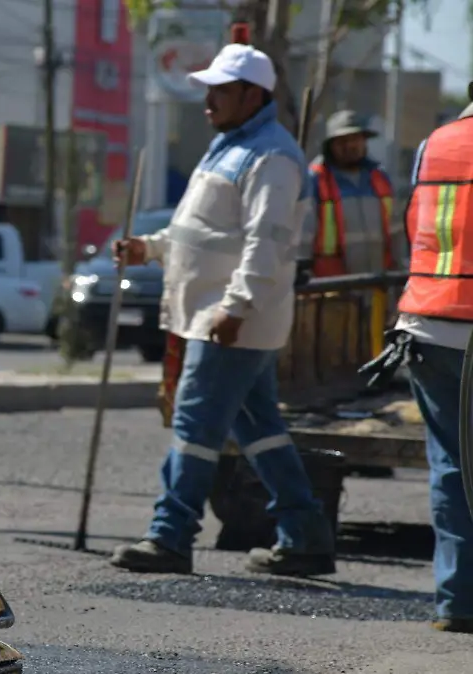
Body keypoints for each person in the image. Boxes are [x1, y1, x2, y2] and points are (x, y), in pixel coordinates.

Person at [107, 43, 336, 577]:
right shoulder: (228, 147)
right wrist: (151, 247)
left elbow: (267, 243)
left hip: (229, 320)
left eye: (220, 90)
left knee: (195, 424)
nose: (207, 100)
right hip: (220, 316)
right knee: (259, 427)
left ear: (252, 95)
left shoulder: (272, 157)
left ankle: (171, 535)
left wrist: (235, 307)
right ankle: (304, 535)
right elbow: (202, 230)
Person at [358, 82, 473, 634]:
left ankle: (457, 602)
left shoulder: (435, 144)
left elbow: (415, 227)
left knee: (451, 467)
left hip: (428, 322)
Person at [304, 109, 405, 278]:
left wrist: (401, 271)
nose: (351, 146)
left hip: (378, 284)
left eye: (356, 139)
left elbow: (396, 233)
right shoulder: (316, 181)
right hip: (331, 287)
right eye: (343, 141)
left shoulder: (380, 179)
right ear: (330, 146)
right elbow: (303, 238)